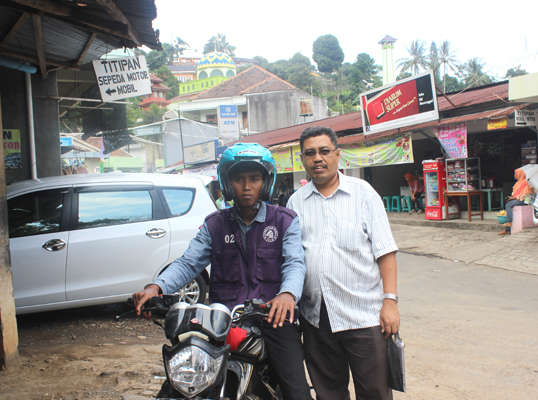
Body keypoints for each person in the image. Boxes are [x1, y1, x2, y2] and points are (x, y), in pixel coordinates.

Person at [133, 143, 312, 400]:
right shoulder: (214, 225)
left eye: (254, 178)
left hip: (273, 318)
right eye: (239, 179)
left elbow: (295, 263)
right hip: (222, 321)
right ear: (228, 184)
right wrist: (156, 287)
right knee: (182, 384)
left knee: (297, 392)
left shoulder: (285, 220)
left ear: (266, 182)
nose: (247, 186)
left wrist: (287, 295)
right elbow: (188, 263)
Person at [286, 126, 400, 400]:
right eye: (310, 153)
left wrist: (390, 302)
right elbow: (291, 257)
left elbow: (385, 251)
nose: (317, 158)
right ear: (302, 159)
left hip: (364, 316)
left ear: (338, 155)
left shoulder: (364, 194)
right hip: (316, 318)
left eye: (324, 151)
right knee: (329, 394)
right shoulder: (295, 202)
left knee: (374, 393)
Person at [499, 168, 532, 236]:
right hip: (518, 199)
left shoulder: (525, 183)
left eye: (515, 174)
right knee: (508, 204)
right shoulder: (517, 183)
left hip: (524, 201)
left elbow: (525, 195)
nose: (515, 175)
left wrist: (513, 198)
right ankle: (507, 229)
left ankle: (509, 224)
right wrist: (513, 197)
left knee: (508, 205)